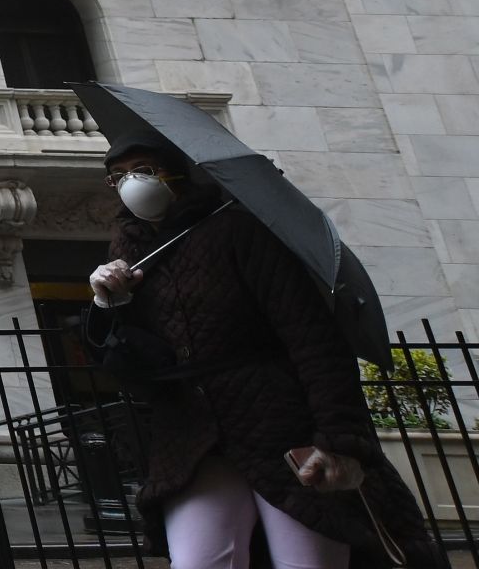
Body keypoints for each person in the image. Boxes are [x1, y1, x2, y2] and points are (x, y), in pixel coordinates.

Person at [85, 140, 439, 569]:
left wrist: (336, 438)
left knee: (307, 560)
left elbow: (314, 341)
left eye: (143, 168)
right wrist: (111, 306)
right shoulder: (129, 252)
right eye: (117, 176)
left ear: (174, 173)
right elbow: (138, 371)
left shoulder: (241, 232)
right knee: (199, 561)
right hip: (195, 440)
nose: (130, 183)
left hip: (280, 427)